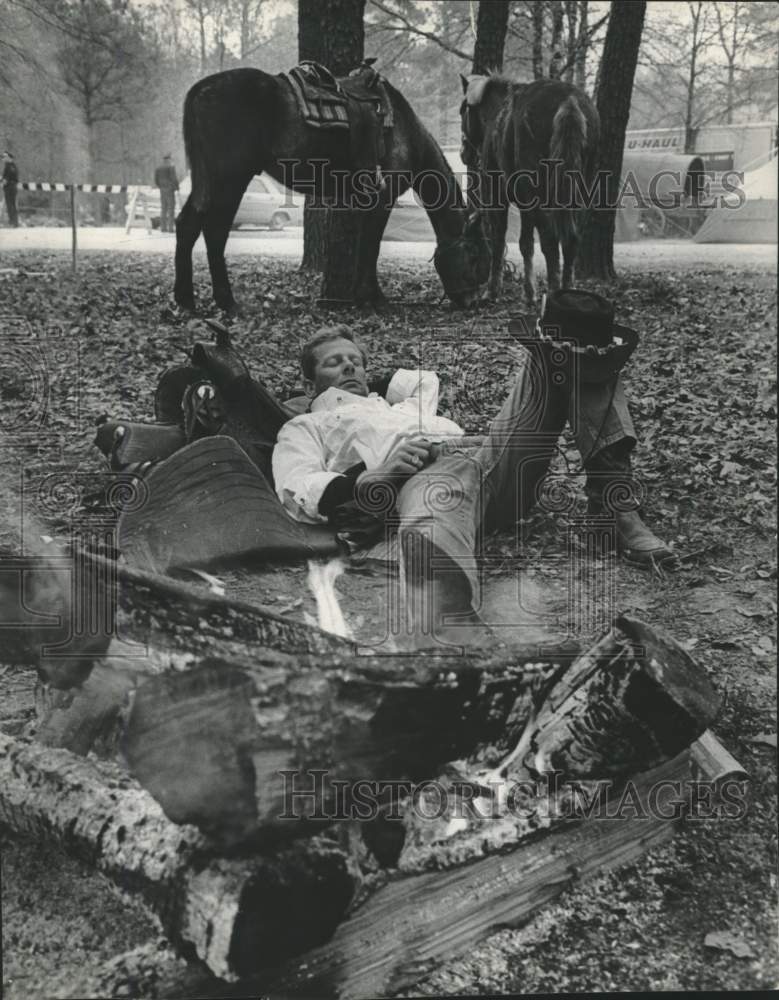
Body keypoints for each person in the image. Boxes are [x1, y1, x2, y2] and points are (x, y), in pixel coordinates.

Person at [272, 292, 678, 640]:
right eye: (333, 363)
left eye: (354, 361)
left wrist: (359, 379)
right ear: (309, 385)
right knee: (433, 513)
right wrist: (370, 477)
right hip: (423, 477)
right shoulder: (306, 424)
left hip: (492, 461)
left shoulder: (399, 404)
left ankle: (615, 504)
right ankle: (451, 617)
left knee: (571, 345)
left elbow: (422, 380)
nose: (348, 367)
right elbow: (297, 484)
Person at [154, 153, 179, 233]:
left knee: (163, 209)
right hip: (170, 190)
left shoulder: (158, 168)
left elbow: (156, 180)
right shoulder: (171, 167)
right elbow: (174, 178)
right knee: (171, 209)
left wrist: (161, 187)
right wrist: (177, 188)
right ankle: (170, 228)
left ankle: (163, 228)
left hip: (162, 190)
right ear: (168, 159)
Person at [2, 151, 19, 227]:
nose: (3, 158)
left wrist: (2, 183)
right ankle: (15, 222)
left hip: (9, 187)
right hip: (13, 186)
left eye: (4, 157)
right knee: (13, 205)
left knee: (10, 205)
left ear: (9, 158)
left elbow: (6, 179)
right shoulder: (14, 166)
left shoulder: (8, 167)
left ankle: (12, 222)